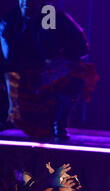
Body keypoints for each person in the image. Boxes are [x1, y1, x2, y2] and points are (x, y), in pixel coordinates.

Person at [0, 0, 98, 140]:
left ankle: (58, 122)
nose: (28, 1)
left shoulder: (51, 16)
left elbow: (79, 47)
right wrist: (13, 103)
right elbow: (10, 65)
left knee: (81, 73)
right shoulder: (8, 23)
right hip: (21, 86)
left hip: (48, 83)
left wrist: (61, 61)